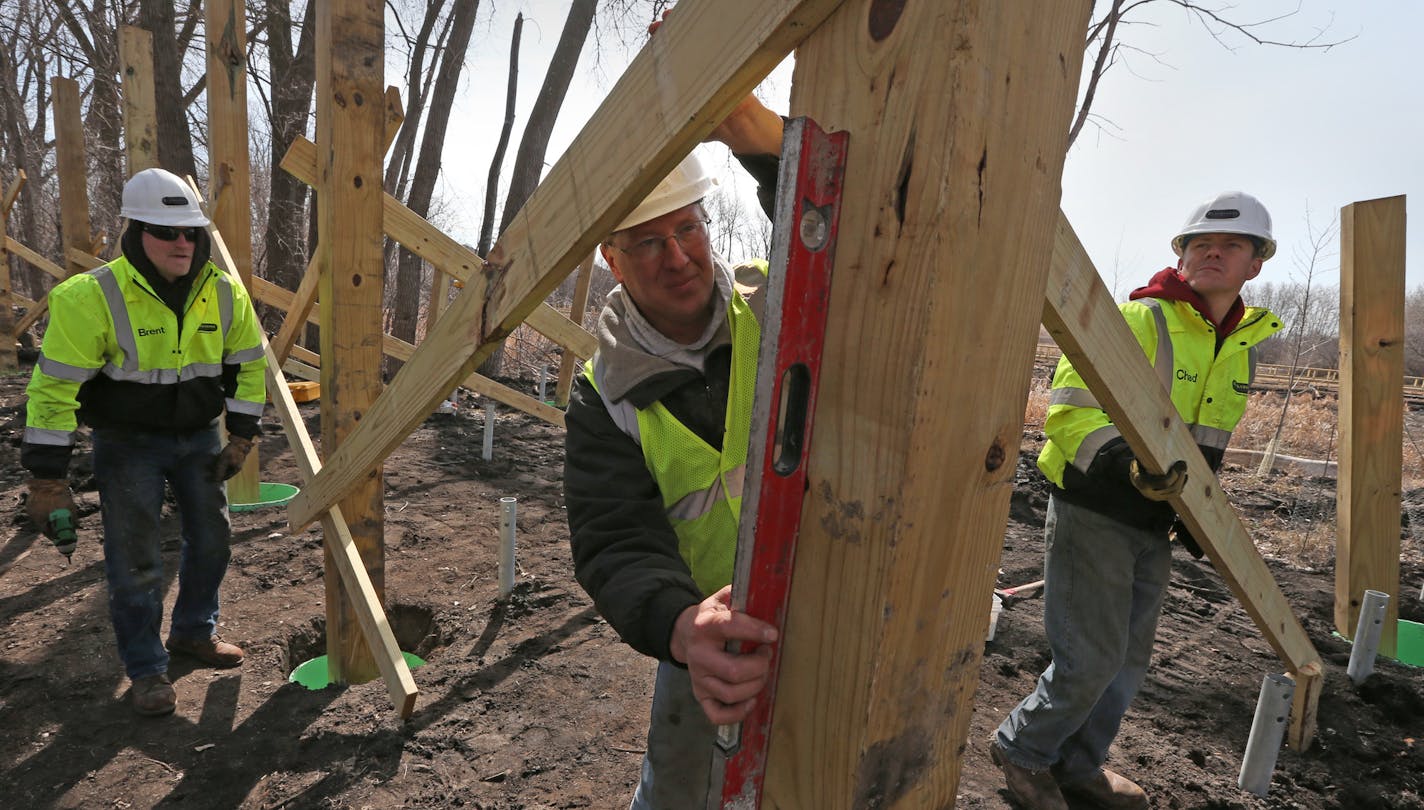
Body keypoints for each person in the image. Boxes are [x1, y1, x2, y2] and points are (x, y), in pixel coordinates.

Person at [990, 191, 1284, 809]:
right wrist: (1128, 468)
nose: (1213, 253)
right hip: (1095, 507)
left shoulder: (1236, 347)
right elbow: (1067, 414)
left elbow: (1206, 444)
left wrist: (1197, 514)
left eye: (1231, 245)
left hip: (1155, 522)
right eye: (1199, 243)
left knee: (1126, 661)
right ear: (1179, 256)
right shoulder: (1140, 320)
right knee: (1091, 657)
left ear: (1256, 263)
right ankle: (1023, 749)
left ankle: (1077, 765)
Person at [563, 96, 787, 806]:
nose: (681, 257)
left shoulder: (773, 302)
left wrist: (768, 148)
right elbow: (613, 540)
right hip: (707, 639)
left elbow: (857, 248)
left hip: (824, 603)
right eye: (649, 242)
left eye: (689, 228)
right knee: (678, 792)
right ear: (612, 258)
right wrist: (683, 626)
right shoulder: (605, 395)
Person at [21, 167, 268, 717]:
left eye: (190, 232)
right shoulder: (90, 298)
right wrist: (47, 476)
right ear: (136, 231)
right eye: (167, 231)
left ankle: (193, 633)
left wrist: (244, 436)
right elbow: (53, 391)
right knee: (135, 558)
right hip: (128, 443)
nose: (182, 242)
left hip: (201, 437)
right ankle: (147, 669)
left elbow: (250, 370)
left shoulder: (225, 294)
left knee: (213, 539)